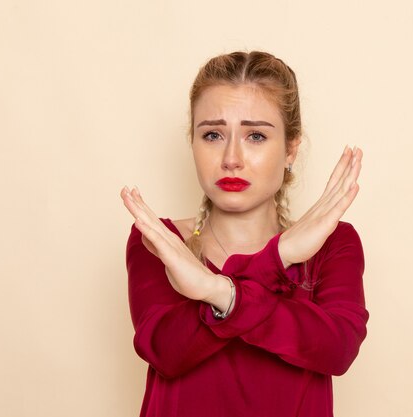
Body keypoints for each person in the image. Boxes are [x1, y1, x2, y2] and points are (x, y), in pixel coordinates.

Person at [120, 51, 368, 417]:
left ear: (290, 150)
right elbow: (166, 353)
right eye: (213, 134)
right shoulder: (161, 240)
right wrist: (277, 259)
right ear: (193, 143)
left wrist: (218, 291)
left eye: (255, 135)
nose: (231, 157)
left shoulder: (332, 244)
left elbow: (336, 350)